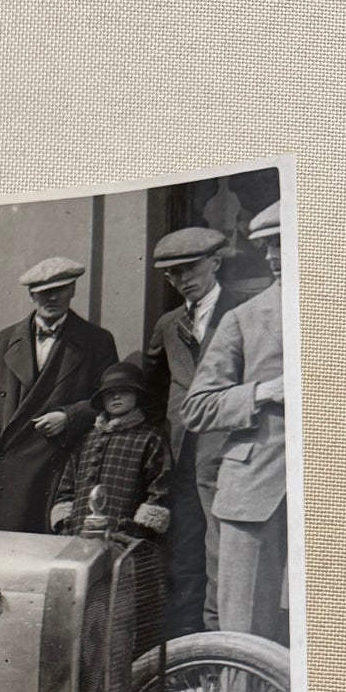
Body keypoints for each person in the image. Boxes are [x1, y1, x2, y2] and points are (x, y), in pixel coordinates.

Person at [179, 200, 288, 644]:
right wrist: (264, 392)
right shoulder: (245, 318)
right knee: (244, 635)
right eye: (269, 245)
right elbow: (198, 407)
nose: (273, 255)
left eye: (281, 243)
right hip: (255, 493)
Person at [0, 257, 118, 533]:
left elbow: (109, 400)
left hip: (54, 464)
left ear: (73, 290)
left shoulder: (96, 340)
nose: (53, 297)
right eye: (44, 292)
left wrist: (69, 417)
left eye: (61, 289)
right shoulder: (4, 339)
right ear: (31, 294)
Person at [142, 228, 246, 635]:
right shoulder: (169, 324)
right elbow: (152, 388)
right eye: (173, 274)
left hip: (230, 452)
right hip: (182, 455)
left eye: (191, 268)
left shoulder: (243, 311)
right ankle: (188, 648)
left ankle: (224, 648)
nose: (183, 279)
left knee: (225, 553)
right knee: (184, 553)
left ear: (215, 263)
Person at [50, 362, 170, 538]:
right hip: (78, 533)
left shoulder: (151, 438)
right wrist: (65, 525)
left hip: (125, 537)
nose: (116, 397)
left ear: (137, 396)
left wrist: (137, 530)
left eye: (124, 391)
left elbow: (159, 490)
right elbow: (67, 488)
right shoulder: (87, 438)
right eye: (109, 393)